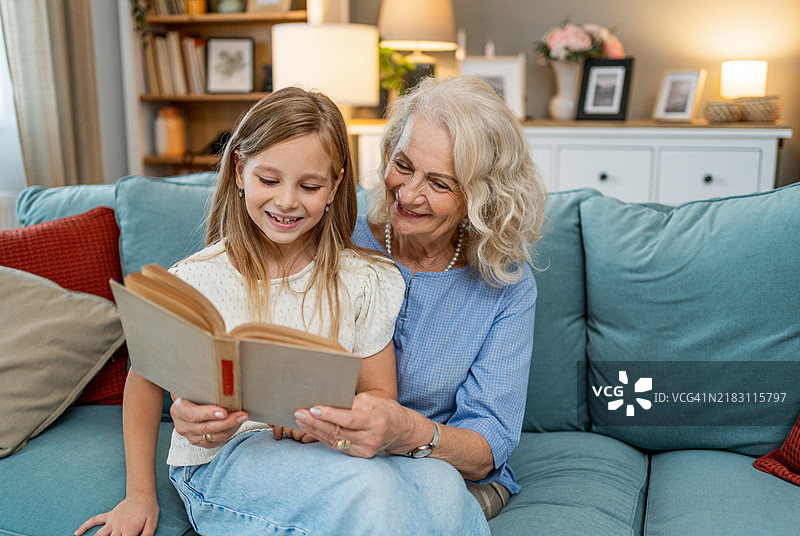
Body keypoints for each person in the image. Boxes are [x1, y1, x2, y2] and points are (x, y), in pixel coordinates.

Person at [170, 75, 547, 532]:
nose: (408, 195)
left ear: (481, 196)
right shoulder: (329, 233)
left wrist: (405, 431)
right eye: (403, 165)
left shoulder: (505, 283)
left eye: (439, 183)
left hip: (430, 460)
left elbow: (489, 444)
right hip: (324, 455)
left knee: (438, 494)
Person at [75, 87, 406, 536]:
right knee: (372, 493)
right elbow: (144, 378)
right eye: (269, 180)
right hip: (221, 460)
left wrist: (328, 422)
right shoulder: (196, 279)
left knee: (430, 485)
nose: (287, 201)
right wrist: (139, 495)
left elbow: (381, 394)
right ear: (239, 172)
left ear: (334, 187)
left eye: (309, 186)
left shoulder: (365, 280)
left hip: (327, 455)